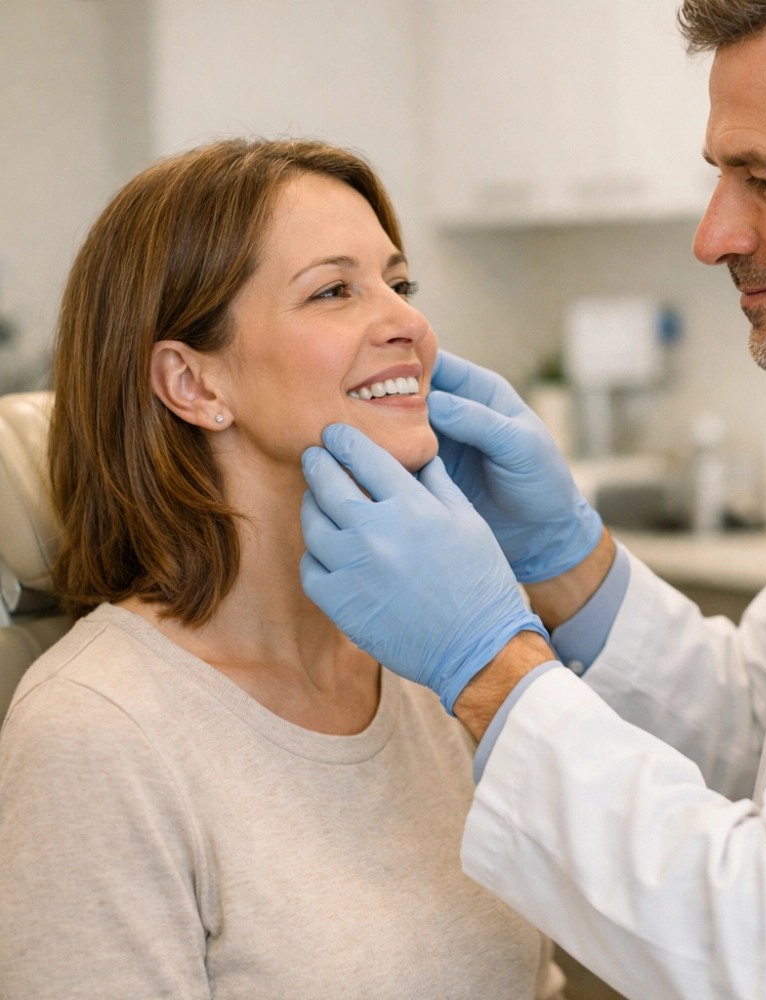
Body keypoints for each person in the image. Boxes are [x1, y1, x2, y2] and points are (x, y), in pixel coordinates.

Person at [297, 2, 766, 998]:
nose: (713, 234)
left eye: (764, 179)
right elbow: (761, 731)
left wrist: (488, 666)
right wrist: (569, 565)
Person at [0, 138, 564, 1000]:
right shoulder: (95, 733)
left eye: (399, 283)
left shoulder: (433, 665)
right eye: (335, 290)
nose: (408, 323)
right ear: (191, 384)